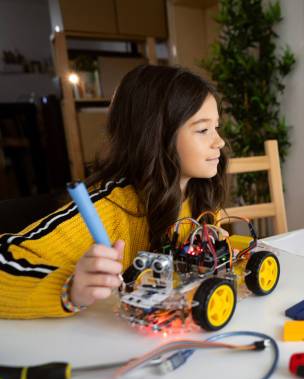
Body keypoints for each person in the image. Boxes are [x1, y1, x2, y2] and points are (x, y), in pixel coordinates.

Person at [0, 65, 227, 318]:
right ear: (155, 136)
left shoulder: (199, 192)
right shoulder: (109, 210)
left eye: (217, 127)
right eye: (203, 130)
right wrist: (69, 290)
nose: (219, 141)